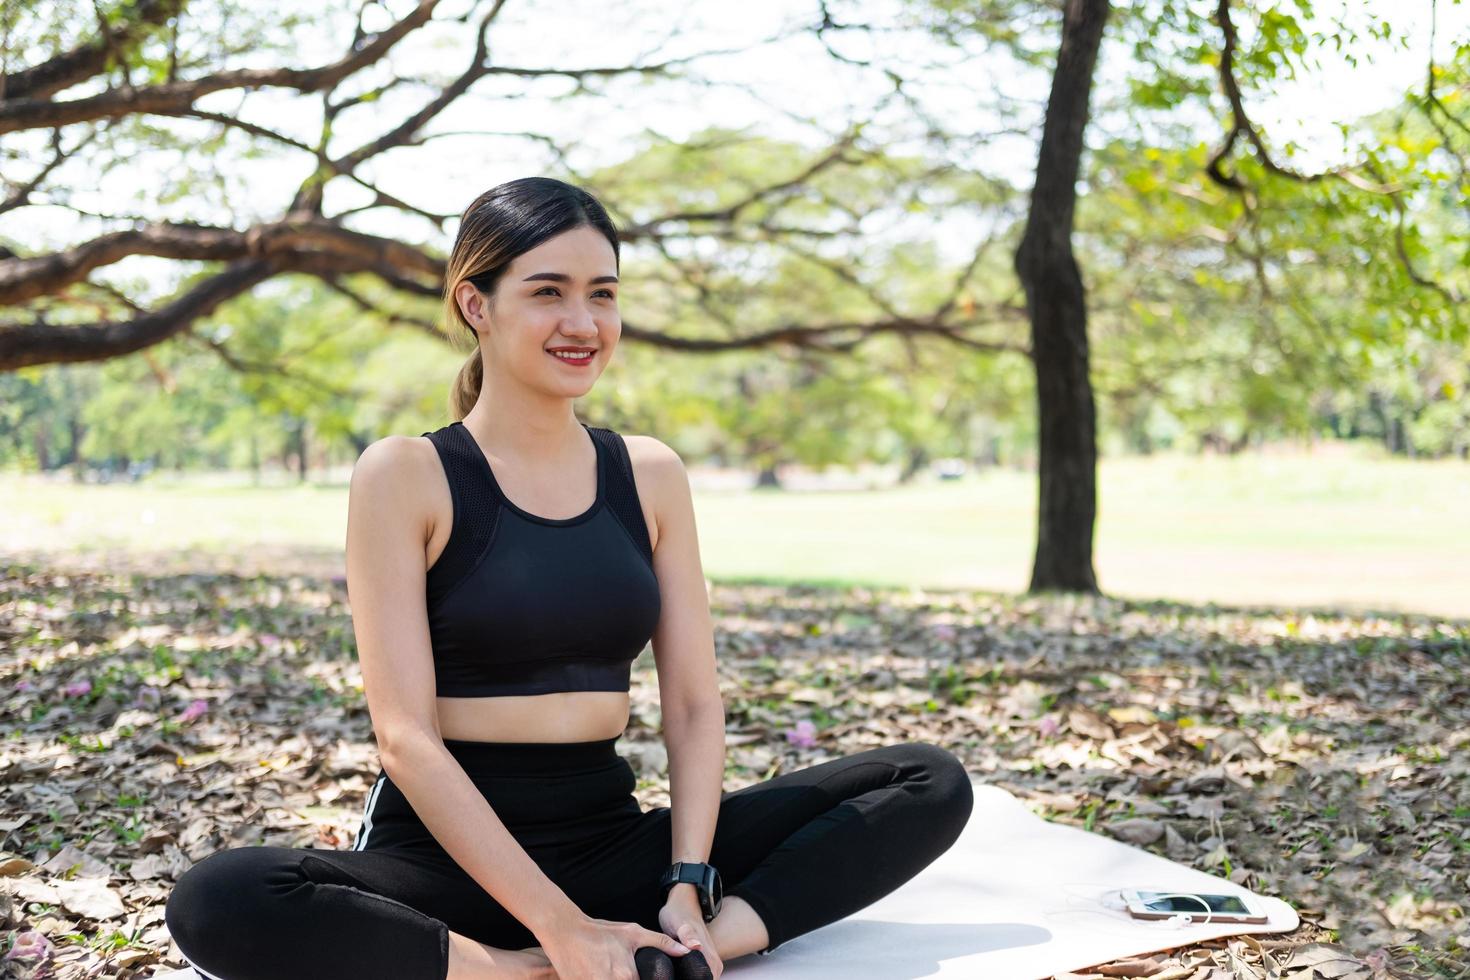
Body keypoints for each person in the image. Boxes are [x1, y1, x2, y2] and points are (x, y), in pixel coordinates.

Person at [163, 176, 975, 980]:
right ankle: (528, 970)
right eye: (548, 292)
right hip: (452, 869)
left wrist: (688, 887)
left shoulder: (648, 474)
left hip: (612, 847)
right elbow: (404, 738)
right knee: (221, 897)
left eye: (603, 294)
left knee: (925, 781)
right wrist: (558, 929)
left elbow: (692, 705)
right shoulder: (407, 474)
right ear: (476, 304)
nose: (582, 323)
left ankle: (691, 954)